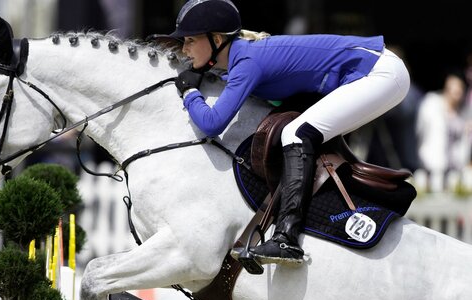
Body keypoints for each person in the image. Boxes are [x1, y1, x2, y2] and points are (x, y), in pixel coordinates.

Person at [170, 0, 410, 267]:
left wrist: (190, 93)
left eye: (190, 40)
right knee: (302, 133)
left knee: (296, 133)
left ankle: (287, 238)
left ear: (216, 40)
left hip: (380, 73)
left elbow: (212, 123)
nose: (185, 49)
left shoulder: (247, 62)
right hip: (375, 71)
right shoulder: (241, 59)